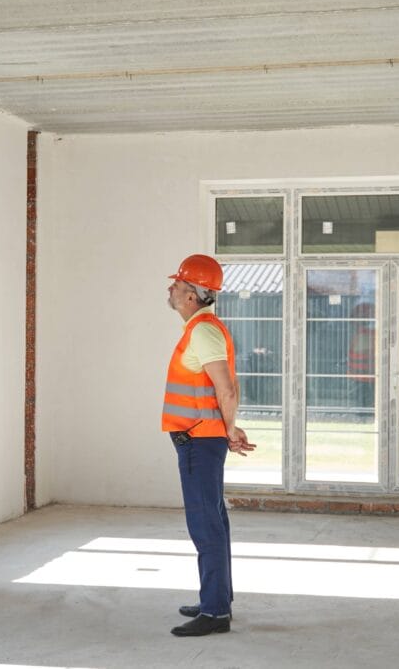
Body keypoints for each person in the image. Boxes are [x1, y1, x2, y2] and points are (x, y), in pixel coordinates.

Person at [163, 254, 257, 637]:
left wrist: (229, 429)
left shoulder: (203, 331)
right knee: (213, 520)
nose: (170, 288)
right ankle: (217, 599)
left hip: (200, 441)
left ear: (192, 296)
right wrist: (227, 429)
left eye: (177, 284)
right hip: (202, 438)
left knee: (206, 525)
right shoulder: (200, 329)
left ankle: (215, 612)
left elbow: (226, 388)